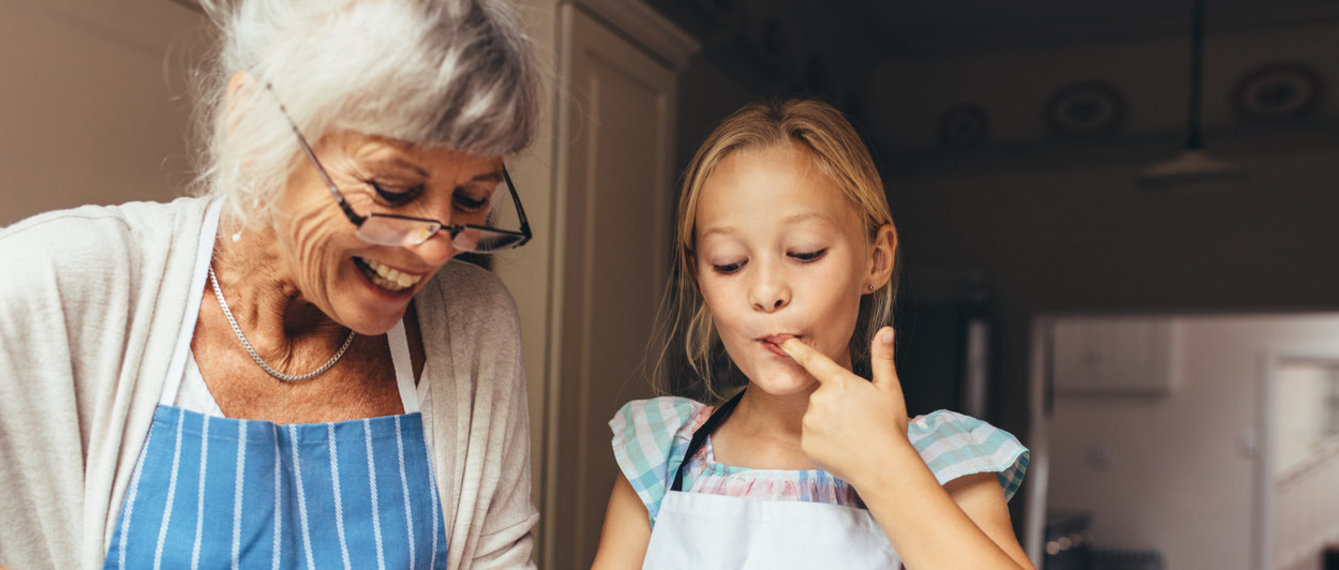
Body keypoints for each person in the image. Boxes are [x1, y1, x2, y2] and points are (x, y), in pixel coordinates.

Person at [0, 0, 541, 568]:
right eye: (393, 189)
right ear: (254, 126)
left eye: (472, 199)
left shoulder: (477, 328)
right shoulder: (49, 291)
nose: (435, 246)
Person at [591, 99, 1035, 569]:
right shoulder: (660, 456)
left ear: (876, 259)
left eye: (804, 253)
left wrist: (887, 465)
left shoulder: (947, 462)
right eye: (729, 263)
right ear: (698, 277)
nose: (766, 292)